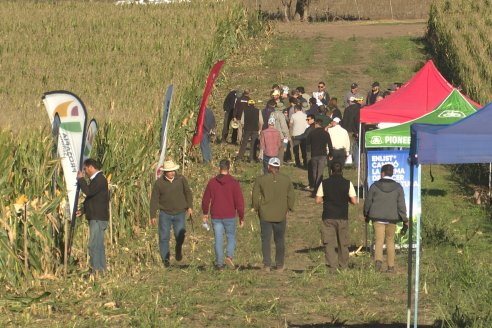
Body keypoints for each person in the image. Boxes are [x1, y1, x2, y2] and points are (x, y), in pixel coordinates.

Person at [252, 157, 295, 272]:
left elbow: (255, 196)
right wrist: (289, 207)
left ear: (268, 167)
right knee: (279, 240)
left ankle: (267, 264)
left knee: (266, 239)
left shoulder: (261, 179)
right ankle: (280, 265)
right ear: (279, 167)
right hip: (281, 214)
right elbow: (291, 196)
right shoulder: (286, 180)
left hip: (265, 214)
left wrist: (256, 207)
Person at [364, 164, 408, 273]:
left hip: (377, 218)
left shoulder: (374, 186)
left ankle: (378, 261)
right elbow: (401, 205)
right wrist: (404, 219)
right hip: (392, 218)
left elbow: (368, 201)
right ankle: (391, 266)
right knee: (390, 241)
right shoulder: (398, 187)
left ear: (382, 173)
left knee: (378, 240)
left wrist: (366, 213)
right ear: (392, 173)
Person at [202, 159, 244, 270]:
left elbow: (206, 200)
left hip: (216, 215)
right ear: (229, 168)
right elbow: (239, 201)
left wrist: (205, 213)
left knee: (218, 239)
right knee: (230, 236)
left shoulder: (212, 182)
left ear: (219, 168)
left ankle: (219, 264)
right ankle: (229, 256)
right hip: (229, 215)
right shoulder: (234, 183)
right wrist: (241, 216)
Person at [150, 160, 193, 267]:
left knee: (180, 234)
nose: (172, 173)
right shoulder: (159, 183)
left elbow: (187, 192)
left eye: (173, 170)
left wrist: (190, 206)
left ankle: (178, 248)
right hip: (165, 213)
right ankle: (165, 260)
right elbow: (154, 199)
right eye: (169, 171)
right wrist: (152, 215)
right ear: (165, 172)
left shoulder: (181, 179)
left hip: (180, 212)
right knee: (164, 237)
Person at [315, 162, 357, 270]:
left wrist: (326, 199)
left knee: (328, 243)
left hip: (328, 216)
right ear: (342, 170)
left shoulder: (324, 183)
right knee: (343, 243)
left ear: (330, 170)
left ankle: (332, 266)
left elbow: (318, 200)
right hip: (342, 216)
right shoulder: (347, 183)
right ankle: (343, 266)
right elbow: (354, 201)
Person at [77, 158, 110, 273]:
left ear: (91, 167)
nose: (84, 172)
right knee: (98, 245)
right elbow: (93, 199)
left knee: (94, 245)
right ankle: (101, 270)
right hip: (97, 217)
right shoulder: (98, 180)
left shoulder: (99, 179)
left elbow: (89, 192)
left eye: (85, 169)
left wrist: (81, 180)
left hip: (97, 218)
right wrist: (83, 210)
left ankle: (95, 270)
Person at [306, 118, 333, 194]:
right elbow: (330, 144)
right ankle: (318, 188)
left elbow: (307, 143)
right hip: (323, 154)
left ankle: (315, 187)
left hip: (314, 154)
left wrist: (308, 152)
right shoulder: (325, 133)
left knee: (314, 171)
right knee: (320, 172)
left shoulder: (312, 133)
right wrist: (330, 153)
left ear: (317, 124)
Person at [341, 96, 362, 167]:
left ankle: (349, 161)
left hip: (348, 130)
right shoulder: (360, 108)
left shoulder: (347, 109)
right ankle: (356, 161)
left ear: (350, 101)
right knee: (356, 146)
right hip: (357, 130)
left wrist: (344, 129)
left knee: (349, 146)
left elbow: (344, 120)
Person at [290, 103, 308, 168]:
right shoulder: (305, 115)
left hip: (296, 135)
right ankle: (305, 162)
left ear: (296, 109)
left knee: (296, 150)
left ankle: (298, 163)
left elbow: (290, 125)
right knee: (304, 150)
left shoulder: (293, 116)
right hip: (304, 135)